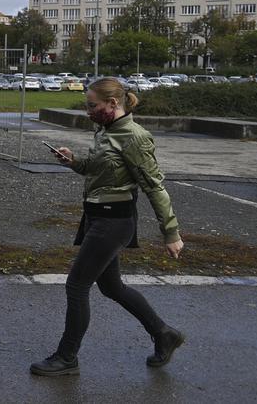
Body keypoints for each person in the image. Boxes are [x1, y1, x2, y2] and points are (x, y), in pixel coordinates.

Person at [30, 78, 185, 376]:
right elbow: (96, 168)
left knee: (76, 286)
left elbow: (155, 187)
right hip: (97, 217)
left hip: (114, 221)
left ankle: (67, 357)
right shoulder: (106, 130)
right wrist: (73, 161)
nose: (88, 111)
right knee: (112, 287)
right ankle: (164, 333)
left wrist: (171, 233)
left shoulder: (134, 137)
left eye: (92, 105)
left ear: (113, 104)